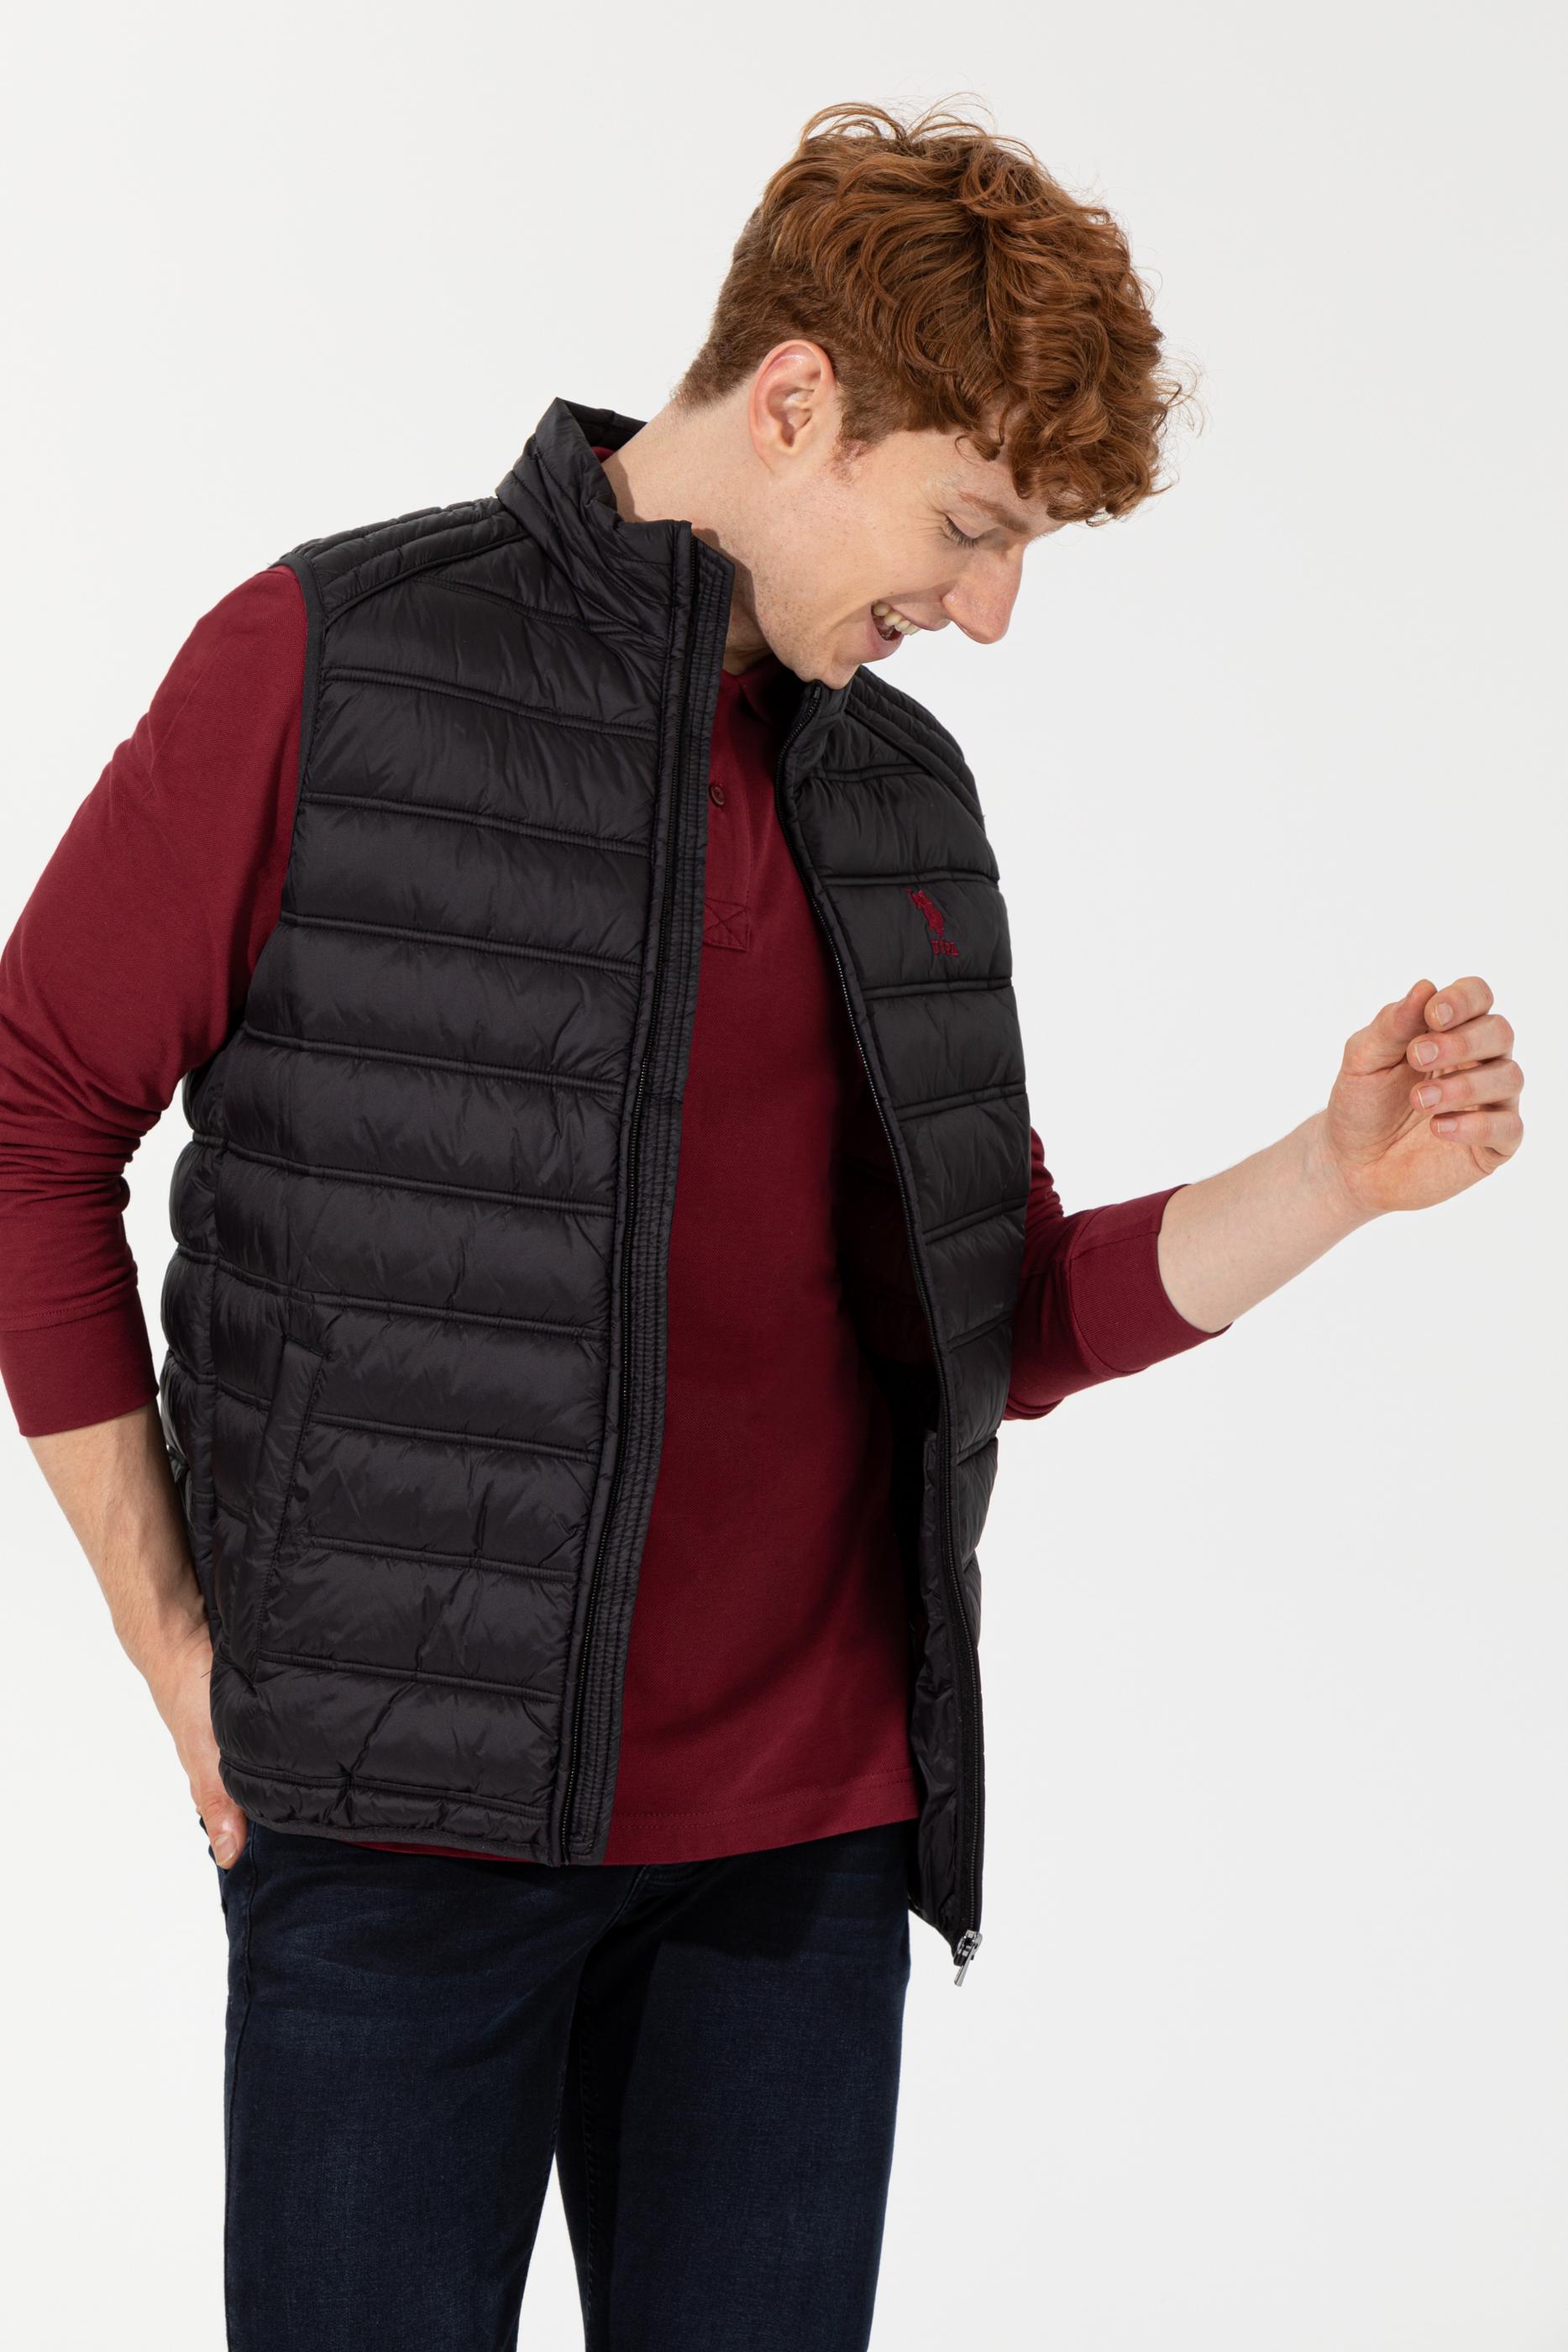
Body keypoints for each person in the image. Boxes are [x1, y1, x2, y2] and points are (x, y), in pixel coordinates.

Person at [0, 96, 1523, 2352]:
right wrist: (168, 1648)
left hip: (797, 1863)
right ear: (797, 397)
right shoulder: (333, 662)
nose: (987, 612)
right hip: (399, 1835)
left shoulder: (896, 787)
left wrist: (1335, 1175)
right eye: (971, 527)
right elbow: (34, 1113)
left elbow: (992, 1315)